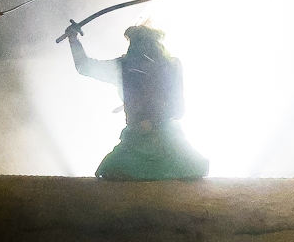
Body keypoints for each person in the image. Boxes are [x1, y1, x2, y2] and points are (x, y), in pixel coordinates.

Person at [66, 22, 209, 180]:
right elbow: (85, 66)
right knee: (111, 169)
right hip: (138, 141)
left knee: (193, 167)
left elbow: (178, 109)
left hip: (167, 140)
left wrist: (152, 121)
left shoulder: (165, 66)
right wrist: (73, 40)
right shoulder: (129, 66)